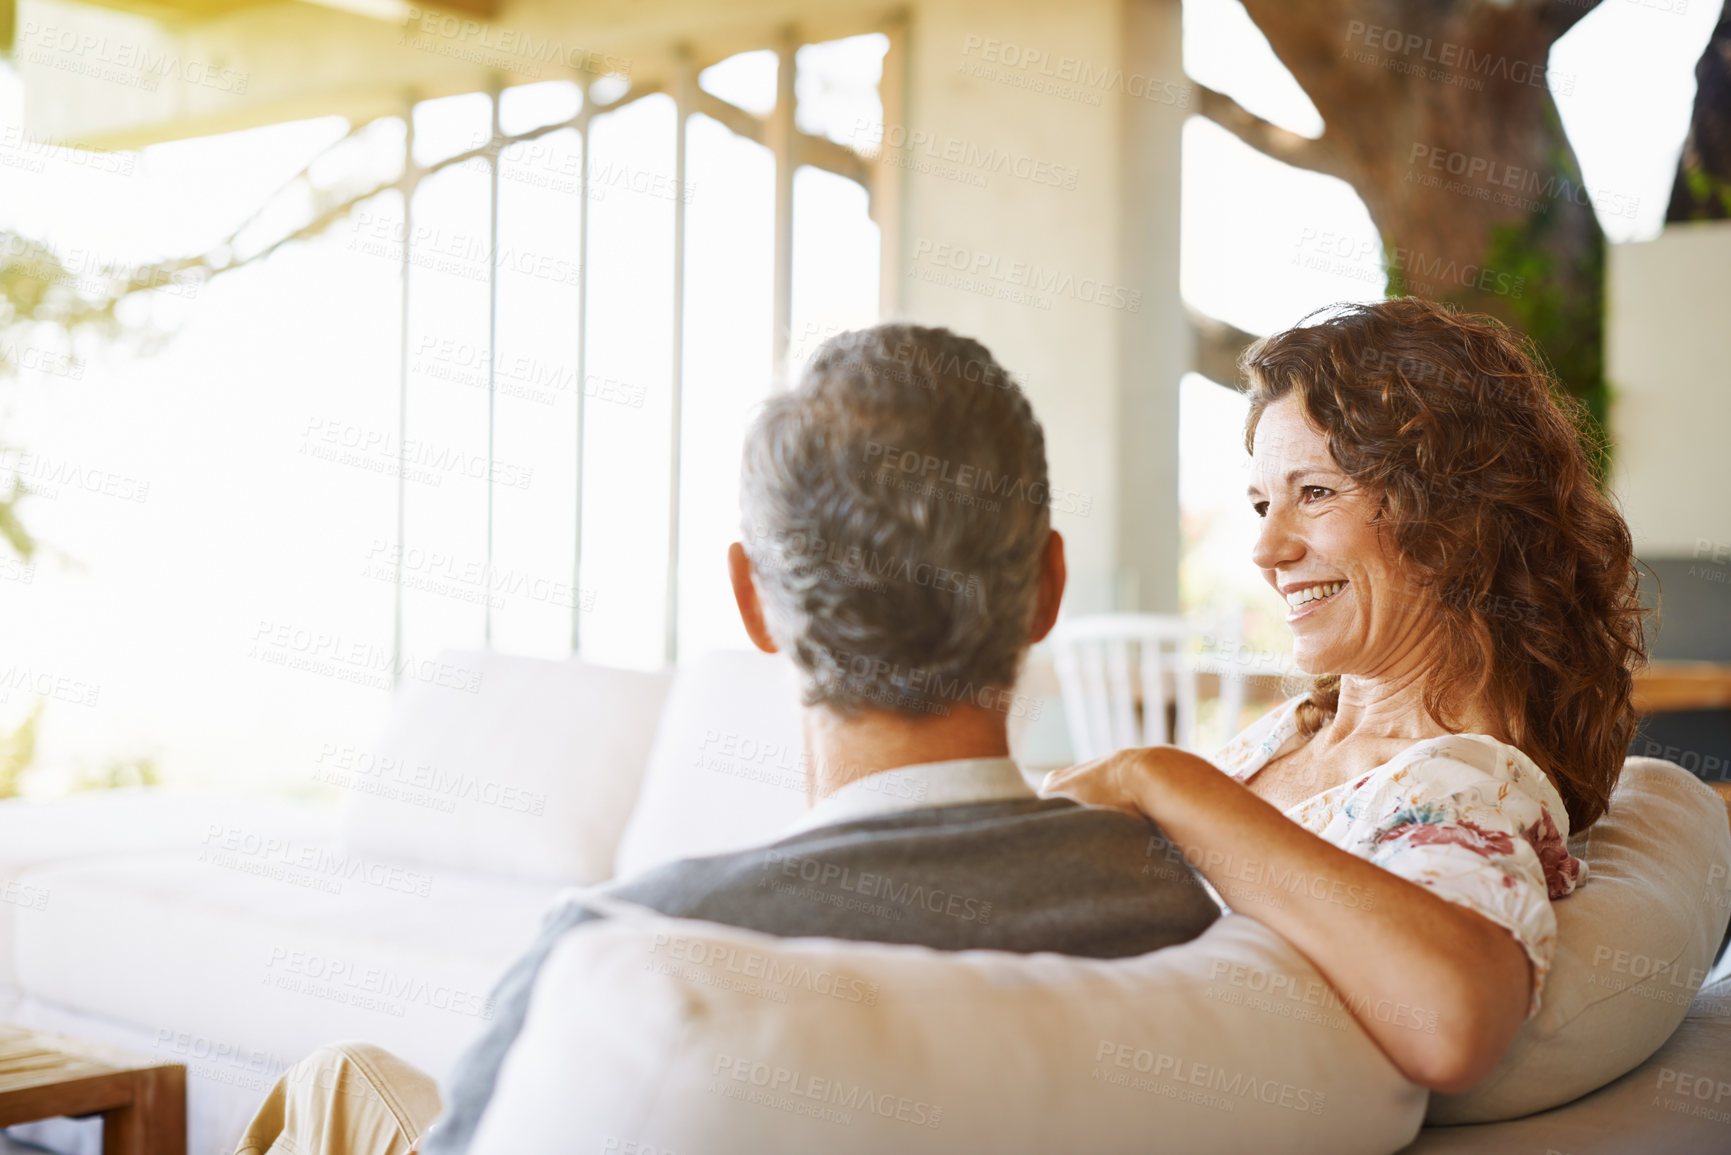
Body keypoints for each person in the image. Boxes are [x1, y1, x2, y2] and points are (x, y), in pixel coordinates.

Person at [236, 324, 1219, 1155]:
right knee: (350, 1076)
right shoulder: (1177, 903)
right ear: (1048, 587)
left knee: (332, 1088)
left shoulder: (627, 953)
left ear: (754, 602)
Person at [1044, 297, 1648, 1094]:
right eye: (1263, 502)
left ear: (1460, 515)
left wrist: (1158, 778)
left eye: (1316, 493)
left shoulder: (1464, 783)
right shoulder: (1304, 729)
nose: (1266, 547)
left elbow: (1454, 1020)